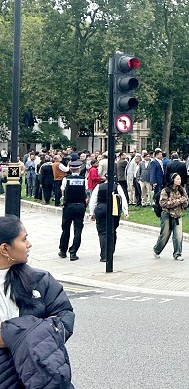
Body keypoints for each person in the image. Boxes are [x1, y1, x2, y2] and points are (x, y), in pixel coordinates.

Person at [0, 216, 76, 388]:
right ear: (5, 249)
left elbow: (64, 316)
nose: (29, 244)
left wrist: (14, 334)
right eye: (24, 239)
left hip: (39, 375)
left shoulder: (40, 280)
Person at [89, 176, 129, 262]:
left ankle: (104, 255)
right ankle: (111, 250)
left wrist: (91, 213)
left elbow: (93, 200)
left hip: (101, 209)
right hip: (113, 210)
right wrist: (125, 212)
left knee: (103, 233)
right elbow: (123, 199)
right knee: (112, 231)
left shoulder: (99, 186)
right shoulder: (117, 187)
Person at [153, 173, 189, 261]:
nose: (179, 181)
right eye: (177, 179)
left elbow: (186, 203)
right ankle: (157, 250)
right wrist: (178, 201)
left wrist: (184, 202)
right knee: (165, 235)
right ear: (172, 180)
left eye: (180, 179)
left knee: (178, 235)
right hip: (167, 215)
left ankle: (177, 253)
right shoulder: (166, 191)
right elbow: (163, 204)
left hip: (178, 215)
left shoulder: (182, 190)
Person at [58, 160, 87, 261]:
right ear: (79, 169)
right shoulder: (84, 179)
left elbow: (62, 190)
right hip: (80, 206)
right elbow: (86, 191)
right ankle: (73, 252)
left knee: (66, 228)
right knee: (78, 230)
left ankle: (63, 250)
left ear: (70, 169)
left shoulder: (66, 179)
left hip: (68, 206)